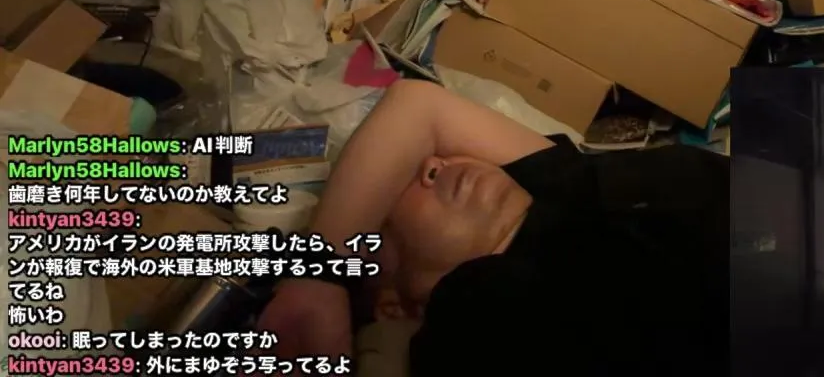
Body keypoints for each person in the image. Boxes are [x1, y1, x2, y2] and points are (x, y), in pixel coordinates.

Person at [257, 78, 727, 375]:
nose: (435, 164)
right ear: (392, 305)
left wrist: (315, 274)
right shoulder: (476, 327)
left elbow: (419, 106)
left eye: (432, 160)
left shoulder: (562, 181)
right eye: (406, 188)